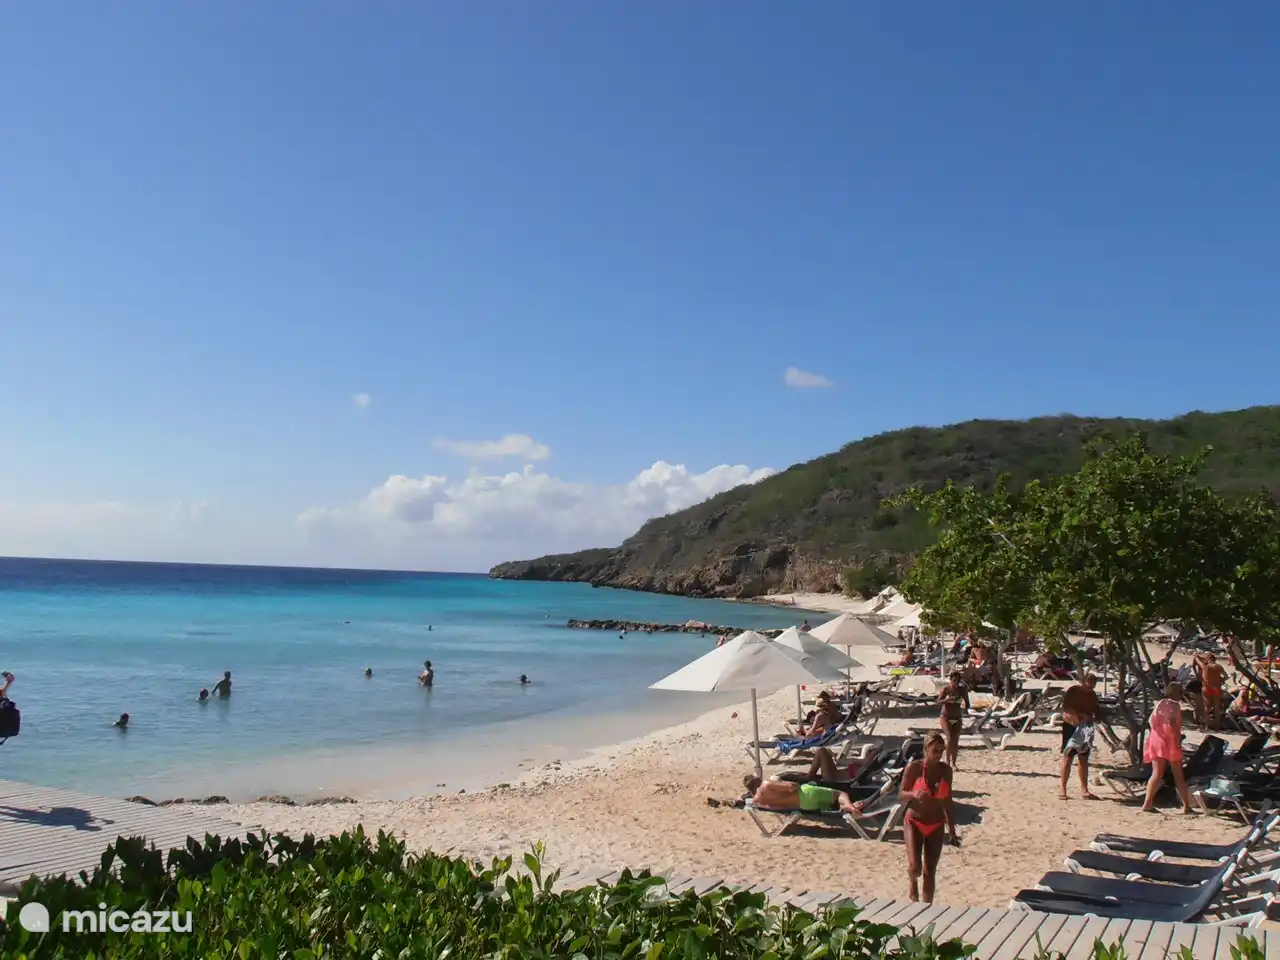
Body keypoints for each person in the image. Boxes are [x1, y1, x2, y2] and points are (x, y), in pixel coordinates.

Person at [899, 731, 957, 903]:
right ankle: (912, 882)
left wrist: (952, 828)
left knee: (930, 871)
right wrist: (913, 794)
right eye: (935, 750)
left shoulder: (946, 771)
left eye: (941, 750)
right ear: (926, 749)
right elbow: (900, 795)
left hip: (936, 823)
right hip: (914, 821)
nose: (938, 754)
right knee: (915, 868)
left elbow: (947, 800)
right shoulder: (914, 768)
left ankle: (927, 909)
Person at [1143, 681, 1194, 813]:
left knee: (1157, 773)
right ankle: (1186, 806)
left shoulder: (1160, 703)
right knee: (1178, 775)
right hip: (1169, 741)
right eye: (1180, 692)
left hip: (1156, 738)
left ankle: (1147, 803)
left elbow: (1151, 722)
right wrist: (1177, 740)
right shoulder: (1174, 705)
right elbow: (1172, 723)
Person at [742, 773, 864, 816]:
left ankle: (843, 807)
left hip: (804, 806)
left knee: (833, 804)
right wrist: (784, 782)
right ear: (756, 781)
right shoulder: (766, 785)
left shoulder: (757, 800)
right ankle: (850, 806)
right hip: (806, 793)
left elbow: (777, 807)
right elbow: (792, 787)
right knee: (840, 794)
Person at [1060, 673, 1100, 800]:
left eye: (1092, 686)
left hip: (1085, 728)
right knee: (1068, 757)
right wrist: (1082, 715)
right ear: (1083, 682)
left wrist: (1094, 718)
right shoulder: (1073, 691)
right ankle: (1062, 788)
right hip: (1070, 726)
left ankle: (1084, 789)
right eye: (1088, 685)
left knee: (1083, 758)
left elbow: (1096, 710)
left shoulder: (1092, 695)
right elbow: (1066, 708)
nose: (1090, 688)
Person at [937, 671, 970, 768]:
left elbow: (967, 703)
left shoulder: (962, 690)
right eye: (954, 680)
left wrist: (963, 709)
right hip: (946, 717)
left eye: (957, 681)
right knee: (949, 738)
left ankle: (954, 763)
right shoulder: (946, 689)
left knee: (955, 741)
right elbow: (938, 701)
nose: (955, 683)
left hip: (957, 717)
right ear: (950, 680)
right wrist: (946, 700)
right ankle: (947, 761)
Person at [1199, 654, 1227, 730]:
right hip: (1216, 688)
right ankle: (1217, 725)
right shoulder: (1218, 666)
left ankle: (1207, 725)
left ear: (1208, 659)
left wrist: (1197, 657)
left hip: (1207, 688)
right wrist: (1221, 680)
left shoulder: (1206, 667)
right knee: (1216, 707)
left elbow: (1198, 661)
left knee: (1206, 707)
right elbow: (1226, 676)